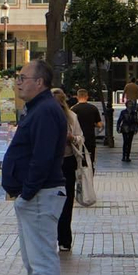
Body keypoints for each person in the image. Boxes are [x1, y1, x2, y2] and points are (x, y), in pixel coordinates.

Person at [2, 60, 68, 275]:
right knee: (34, 263)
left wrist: (27, 193)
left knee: (43, 262)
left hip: (40, 197)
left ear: (39, 82)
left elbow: (41, 158)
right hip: (35, 196)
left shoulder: (45, 111)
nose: (18, 82)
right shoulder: (37, 109)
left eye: (23, 77)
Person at [51, 88, 83, 253]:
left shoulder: (72, 117)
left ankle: (65, 238)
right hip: (49, 163)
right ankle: (52, 238)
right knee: (50, 201)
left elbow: (80, 138)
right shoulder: (45, 117)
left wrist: (72, 138)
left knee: (66, 201)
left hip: (67, 162)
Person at [71, 88, 103, 167]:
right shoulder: (93, 108)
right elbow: (99, 125)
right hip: (90, 139)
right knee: (90, 162)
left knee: (78, 162)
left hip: (77, 139)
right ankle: (89, 177)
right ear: (87, 97)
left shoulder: (73, 109)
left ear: (77, 97)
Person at [118, 83, 138, 162]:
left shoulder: (127, 85)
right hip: (125, 128)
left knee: (129, 142)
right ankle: (124, 155)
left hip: (131, 128)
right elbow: (120, 120)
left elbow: (135, 121)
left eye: (130, 104)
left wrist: (136, 129)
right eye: (129, 104)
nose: (130, 105)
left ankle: (127, 156)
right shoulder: (123, 112)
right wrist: (118, 127)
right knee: (126, 142)